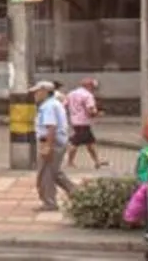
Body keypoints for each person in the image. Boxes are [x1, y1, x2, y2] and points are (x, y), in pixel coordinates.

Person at [32, 80, 76, 212]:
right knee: (55, 172)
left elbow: (51, 127)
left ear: (45, 91)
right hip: (55, 141)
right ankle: (77, 192)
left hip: (51, 141)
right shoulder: (54, 104)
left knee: (45, 174)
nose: (35, 94)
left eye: (37, 91)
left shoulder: (48, 106)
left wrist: (47, 146)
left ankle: (49, 202)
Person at [65, 77, 103, 170]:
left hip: (75, 121)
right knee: (75, 142)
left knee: (90, 142)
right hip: (83, 122)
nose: (94, 89)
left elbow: (65, 104)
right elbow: (90, 110)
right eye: (93, 87)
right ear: (89, 86)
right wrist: (97, 114)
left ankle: (97, 161)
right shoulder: (88, 95)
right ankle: (69, 162)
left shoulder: (71, 93)